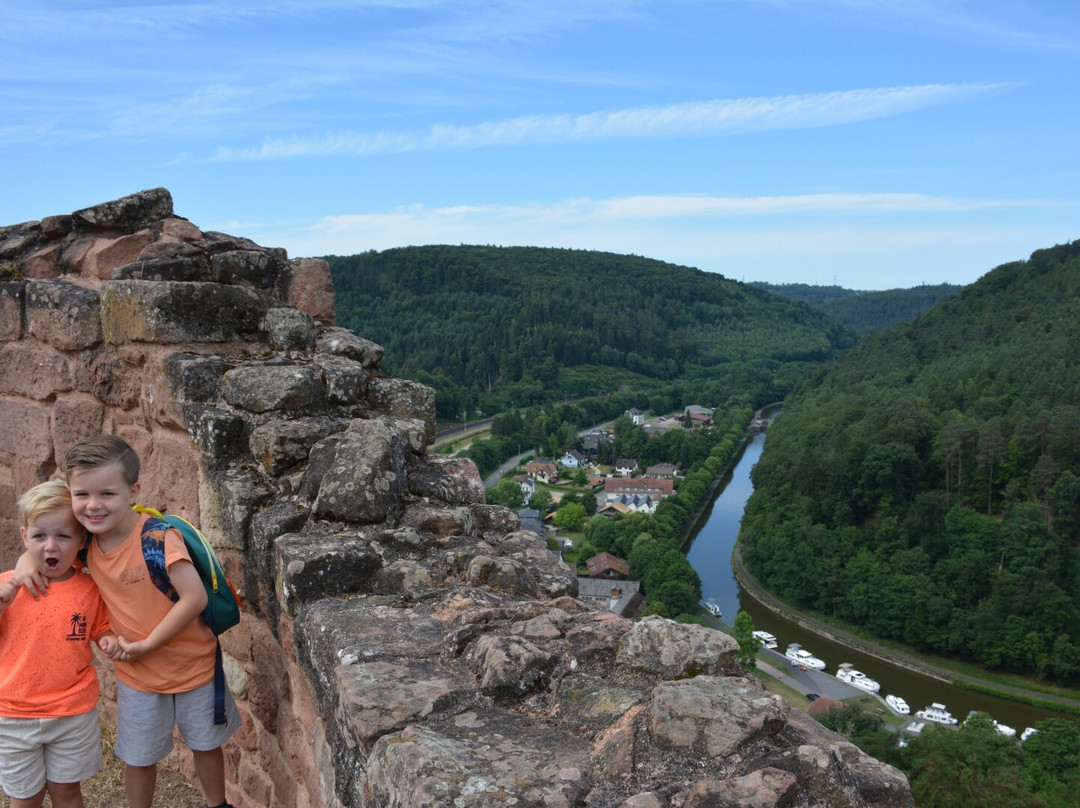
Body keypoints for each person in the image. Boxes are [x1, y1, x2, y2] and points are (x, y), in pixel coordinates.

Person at [17, 436, 240, 808]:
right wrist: (26, 561)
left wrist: (147, 645)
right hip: (137, 677)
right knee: (138, 758)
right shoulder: (86, 544)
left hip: (193, 666)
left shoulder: (157, 538)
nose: (93, 505)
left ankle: (218, 805)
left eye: (107, 493)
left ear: (133, 489)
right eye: (82, 494)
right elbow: (43, 542)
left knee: (205, 744)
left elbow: (195, 597)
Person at [0, 479, 115, 808]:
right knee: (25, 797)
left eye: (63, 536)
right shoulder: (7, 587)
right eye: (39, 536)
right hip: (12, 715)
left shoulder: (89, 589)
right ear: (24, 537)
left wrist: (108, 641)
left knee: (66, 792)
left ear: (80, 539)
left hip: (71, 712)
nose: (51, 546)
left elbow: (101, 627)